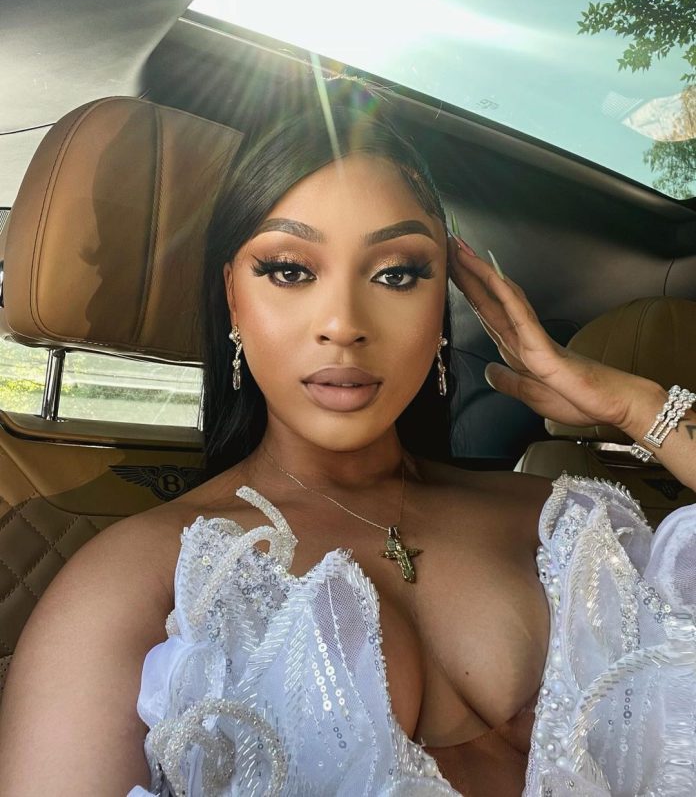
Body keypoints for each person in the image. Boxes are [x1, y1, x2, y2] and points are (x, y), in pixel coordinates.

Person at [0, 79, 694, 796]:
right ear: (233, 296)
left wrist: (635, 406)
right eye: (290, 270)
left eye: (397, 274)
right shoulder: (134, 582)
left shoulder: (563, 523)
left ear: (441, 300)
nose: (344, 323)